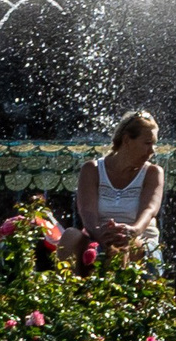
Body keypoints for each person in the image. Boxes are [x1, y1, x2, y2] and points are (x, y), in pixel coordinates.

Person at [60, 110, 163, 266]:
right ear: (127, 140)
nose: (152, 151)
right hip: (98, 238)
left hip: (139, 240)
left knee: (125, 245)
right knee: (69, 236)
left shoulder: (153, 172)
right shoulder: (92, 170)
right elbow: (87, 212)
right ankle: (70, 288)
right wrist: (99, 232)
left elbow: (149, 210)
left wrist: (132, 231)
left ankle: (122, 288)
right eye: (148, 143)